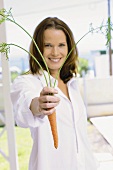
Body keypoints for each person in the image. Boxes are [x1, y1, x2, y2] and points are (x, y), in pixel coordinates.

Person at [10, 17, 98, 170]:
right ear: (38, 48)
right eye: (48, 45)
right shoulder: (27, 82)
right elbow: (24, 110)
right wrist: (39, 105)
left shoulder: (72, 83)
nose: (55, 52)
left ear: (69, 47)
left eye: (61, 45)